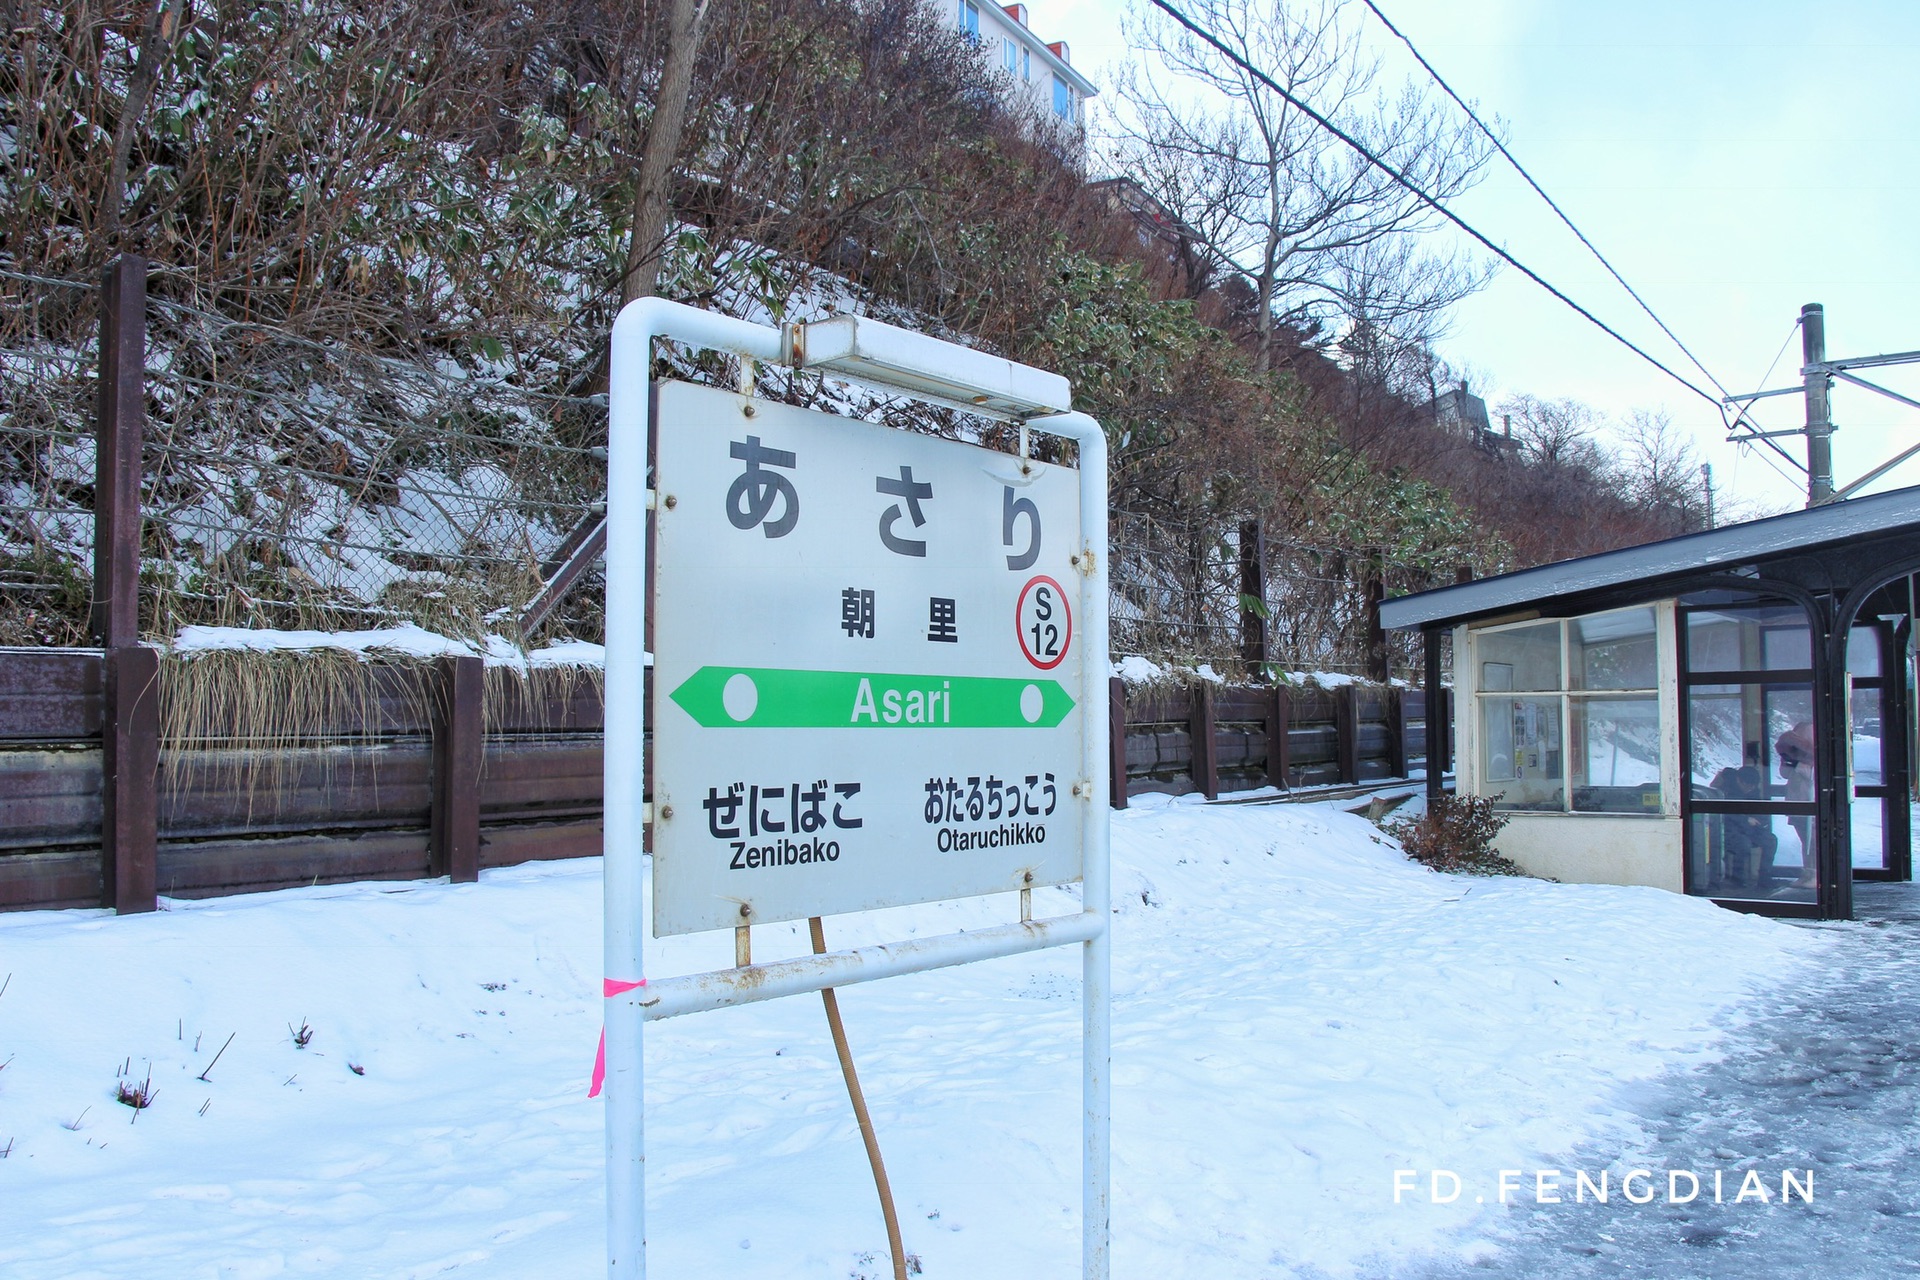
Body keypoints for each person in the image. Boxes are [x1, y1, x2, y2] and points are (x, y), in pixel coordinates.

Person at [1775, 722, 1817, 890]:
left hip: (1810, 799)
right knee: (1804, 840)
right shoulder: (1792, 754)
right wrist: (1788, 761)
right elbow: (1784, 774)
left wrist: (1801, 764)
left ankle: (1814, 873)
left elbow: (1811, 776)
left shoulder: (1814, 756)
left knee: (1813, 840)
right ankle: (1807, 872)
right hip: (1795, 800)